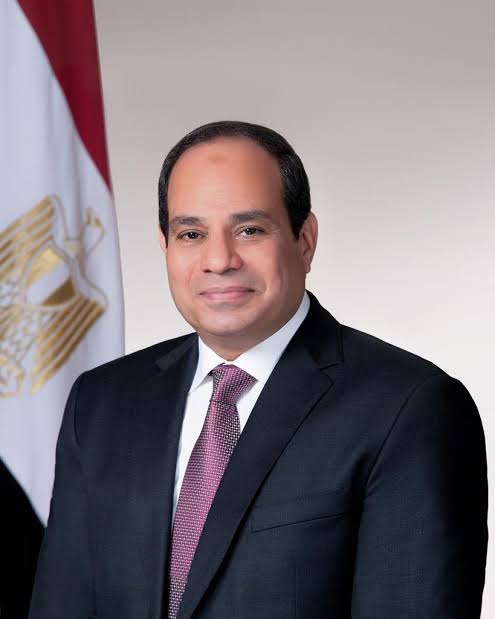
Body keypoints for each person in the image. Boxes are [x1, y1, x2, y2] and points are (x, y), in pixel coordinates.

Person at [29, 121, 487, 619]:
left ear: (304, 240)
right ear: (165, 246)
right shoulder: (101, 403)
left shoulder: (409, 408)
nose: (219, 260)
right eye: (191, 234)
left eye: (249, 230)